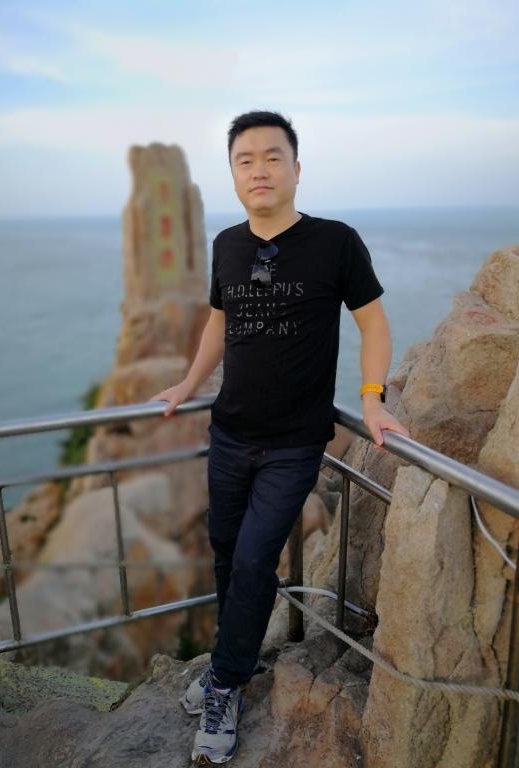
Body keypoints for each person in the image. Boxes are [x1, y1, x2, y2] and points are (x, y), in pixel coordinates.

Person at [150, 110, 409, 765]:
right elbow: (219, 322)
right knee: (226, 556)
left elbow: (374, 326)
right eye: (245, 160)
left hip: (293, 444)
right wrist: (188, 384)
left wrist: (372, 400)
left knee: (252, 561)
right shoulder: (227, 245)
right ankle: (230, 664)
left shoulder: (335, 242)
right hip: (229, 434)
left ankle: (225, 685)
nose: (259, 169)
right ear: (233, 174)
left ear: (296, 169)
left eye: (272, 157)